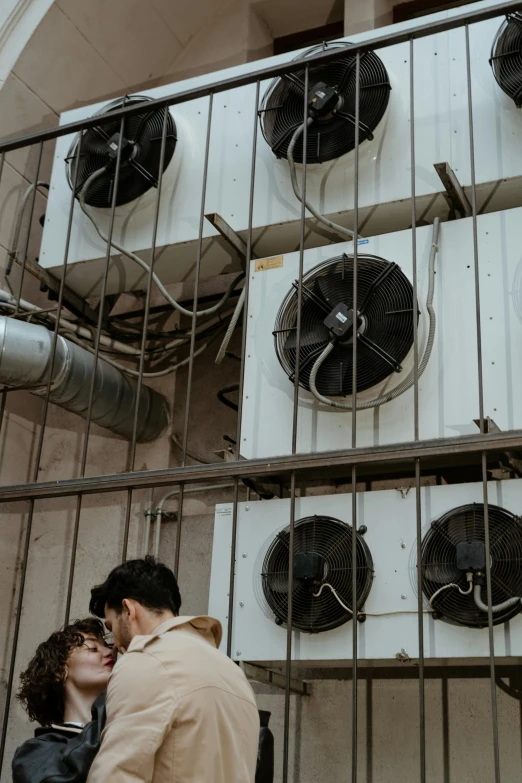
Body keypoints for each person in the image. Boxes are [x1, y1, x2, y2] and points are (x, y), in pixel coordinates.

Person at [86, 556, 260, 783]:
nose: (116, 644)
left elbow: (116, 775)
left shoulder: (145, 660)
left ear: (129, 610)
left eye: (111, 627)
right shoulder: (233, 673)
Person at [12, 618, 115, 783]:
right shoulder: (33, 754)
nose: (110, 652)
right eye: (93, 648)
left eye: (108, 646)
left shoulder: (127, 723)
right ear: (60, 671)